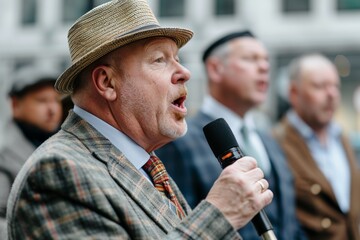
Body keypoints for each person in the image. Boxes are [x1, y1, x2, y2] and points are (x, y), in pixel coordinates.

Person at [6, 1, 273, 239]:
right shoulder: (58, 171)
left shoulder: (143, 163)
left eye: (177, 59)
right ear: (107, 82)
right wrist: (218, 216)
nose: (184, 73)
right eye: (159, 60)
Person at [156, 31, 307, 239]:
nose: (264, 67)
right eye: (250, 59)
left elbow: (291, 221)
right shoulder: (179, 141)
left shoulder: (269, 139)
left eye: (265, 60)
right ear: (215, 69)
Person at [273, 53, 360, 240]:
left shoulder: (341, 137)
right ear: (294, 93)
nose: (332, 94)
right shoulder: (275, 143)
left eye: (335, 86)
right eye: (320, 86)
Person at [0, 65, 63, 235]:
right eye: (42, 101)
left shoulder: (62, 141)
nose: (52, 109)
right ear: (15, 105)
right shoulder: (4, 153)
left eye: (56, 100)